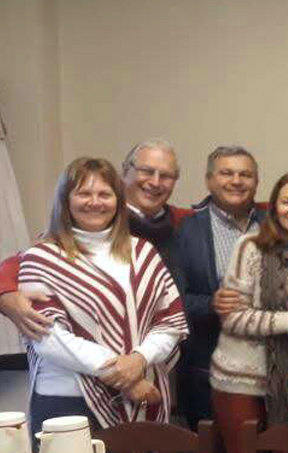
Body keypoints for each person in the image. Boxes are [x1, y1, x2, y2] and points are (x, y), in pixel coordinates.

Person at [18, 157, 187, 439]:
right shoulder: (40, 258)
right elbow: (49, 337)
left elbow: (170, 322)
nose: (95, 202)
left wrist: (139, 360)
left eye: (104, 194)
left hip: (142, 399)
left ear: (118, 201)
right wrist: (125, 373)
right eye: (84, 193)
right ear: (65, 200)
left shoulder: (143, 253)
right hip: (66, 402)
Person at [0, 139, 190, 342]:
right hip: (93, 354)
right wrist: (6, 295)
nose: (155, 182)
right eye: (146, 171)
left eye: (166, 176)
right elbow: (24, 263)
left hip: (170, 348)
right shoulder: (91, 220)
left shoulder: (185, 222)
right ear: (124, 172)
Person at [208, 173, 288, 453]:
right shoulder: (251, 246)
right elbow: (233, 317)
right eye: (286, 201)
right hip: (239, 379)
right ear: (274, 207)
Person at [174, 145, 264, 431]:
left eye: (245, 174)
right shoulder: (185, 229)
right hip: (208, 371)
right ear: (209, 180)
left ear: (256, 182)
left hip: (272, 369)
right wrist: (211, 303)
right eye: (227, 173)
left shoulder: (275, 224)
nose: (237, 181)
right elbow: (173, 300)